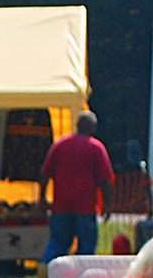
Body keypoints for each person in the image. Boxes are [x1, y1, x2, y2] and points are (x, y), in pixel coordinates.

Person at [39, 110, 116, 264]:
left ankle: (47, 274)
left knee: (57, 244)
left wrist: (41, 198)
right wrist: (108, 205)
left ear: (77, 126)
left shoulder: (60, 145)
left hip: (61, 206)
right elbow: (105, 180)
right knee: (86, 249)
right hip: (85, 207)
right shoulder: (96, 148)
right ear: (93, 128)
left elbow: (45, 174)